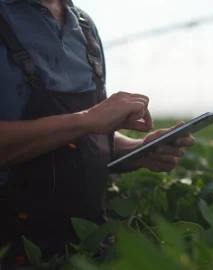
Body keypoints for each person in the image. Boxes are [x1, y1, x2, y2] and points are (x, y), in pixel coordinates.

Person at [0, 0, 195, 268]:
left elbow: (85, 137)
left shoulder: (84, 25)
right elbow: (85, 123)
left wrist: (138, 151)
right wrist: (87, 119)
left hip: (86, 247)